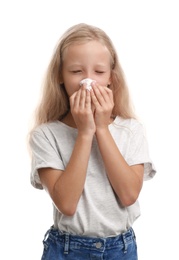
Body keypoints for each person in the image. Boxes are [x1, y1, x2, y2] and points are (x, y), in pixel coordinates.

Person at [29, 23, 156, 260]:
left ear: (111, 77)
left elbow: (129, 195)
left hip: (121, 249)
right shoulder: (46, 135)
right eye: (76, 72)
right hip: (66, 250)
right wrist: (85, 133)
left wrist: (101, 128)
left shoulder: (131, 130)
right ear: (60, 75)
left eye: (98, 72)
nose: (88, 81)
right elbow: (66, 204)